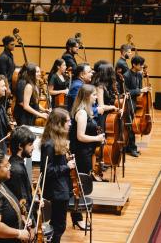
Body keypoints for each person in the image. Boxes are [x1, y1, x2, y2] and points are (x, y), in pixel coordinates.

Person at [69, 84, 104, 230]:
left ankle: (78, 217)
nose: (96, 97)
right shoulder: (82, 113)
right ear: (87, 96)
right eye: (94, 95)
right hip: (81, 153)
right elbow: (80, 136)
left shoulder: (86, 111)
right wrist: (97, 139)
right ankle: (78, 218)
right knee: (79, 186)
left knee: (81, 185)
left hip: (85, 153)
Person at [40, 108, 75, 243]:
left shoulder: (58, 140)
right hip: (56, 191)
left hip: (61, 187)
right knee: (58, 226)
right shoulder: (49, 144)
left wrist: (67, 161)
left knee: (59, 225)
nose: (70, 123)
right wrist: (67, 166)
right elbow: (47, 170)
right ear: (58, 124)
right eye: (67, 121)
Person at [5, 126, 36, 217]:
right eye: (30, 144)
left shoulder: (17, 163)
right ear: (20, 146)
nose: (33, 148)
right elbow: (23, 201)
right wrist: (32, 224)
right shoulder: (16, 170)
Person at [124, 55, 150, 157]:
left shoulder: (139, 75)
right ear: (134, 65)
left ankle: (131, 147)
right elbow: (126, 91)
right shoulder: (126, 75)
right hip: (129, 103)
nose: (142, 66)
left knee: (133, 126)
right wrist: (140, 90)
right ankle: (131, 149)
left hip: (137, 103)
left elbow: (139, 89)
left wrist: (145, 91)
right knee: (131, 126)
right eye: (140, 65)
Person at [92, 63, 119, 130]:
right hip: (102, 116)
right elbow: (101, 106)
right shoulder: (99, 87)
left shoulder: (107, 85)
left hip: (108, 114)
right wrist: (113, 107)